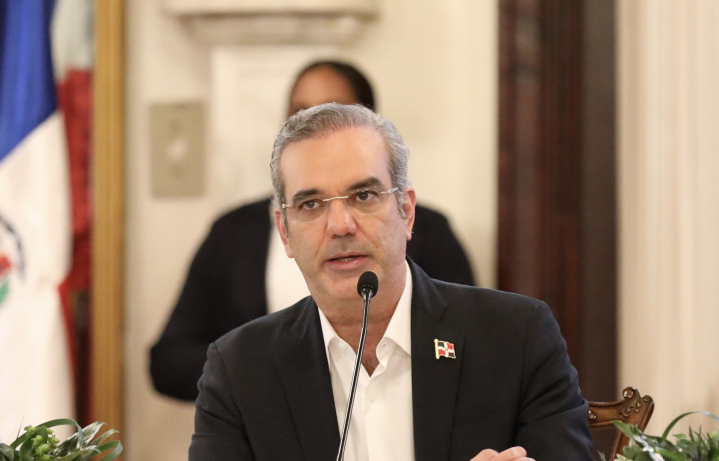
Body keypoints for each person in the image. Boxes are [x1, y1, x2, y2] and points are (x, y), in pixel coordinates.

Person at [181, 103, 599, 461]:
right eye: (311, 204)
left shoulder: (515, 336)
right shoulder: (241, 366)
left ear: (407, 211)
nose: (340, 224)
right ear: (285, 232)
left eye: (363, 195)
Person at [149, 60, 476, 401]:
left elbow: (465, 344)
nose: (339, 225)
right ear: (284, 230)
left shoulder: (429, 231)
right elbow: (170, 359)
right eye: (300, 113)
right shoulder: (234, 232)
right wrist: (265, 378)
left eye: (333, 111)